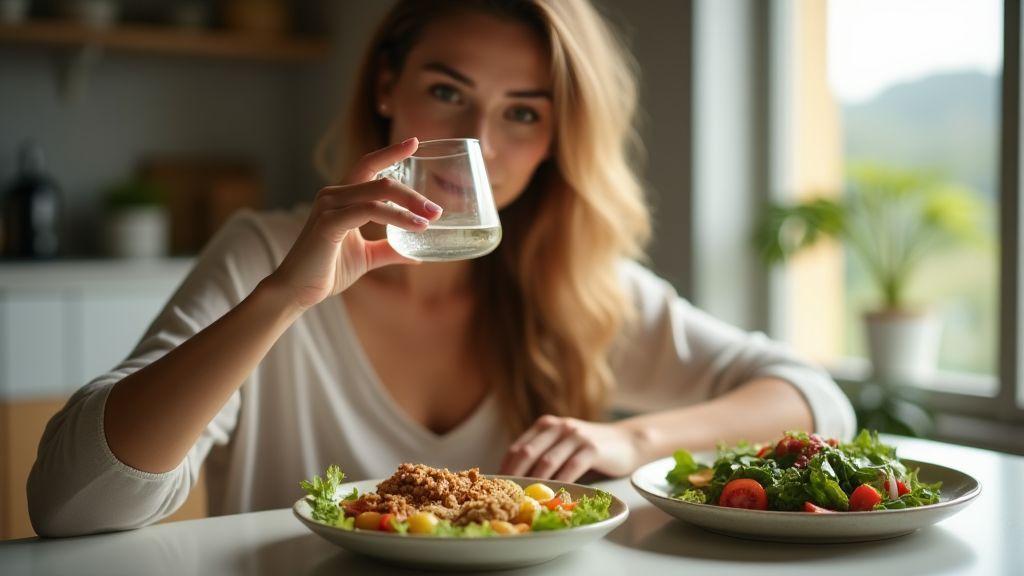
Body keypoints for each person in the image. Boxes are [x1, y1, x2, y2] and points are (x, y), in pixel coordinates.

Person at [27, 0, 855, 537]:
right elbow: (71, 506)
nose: (483, 146)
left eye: (523, 112)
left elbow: (817, 402)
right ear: (387, 86)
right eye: (449, 93)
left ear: (560, 139)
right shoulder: (264, 249)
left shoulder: (577, 282)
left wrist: (631, 438)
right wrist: (284, 297)